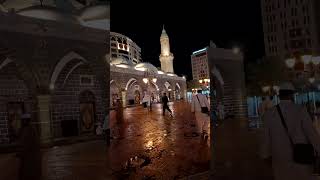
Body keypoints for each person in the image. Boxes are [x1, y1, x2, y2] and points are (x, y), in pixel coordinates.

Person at [261, 82, 320, 180]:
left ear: (279, 96)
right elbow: (311, 133)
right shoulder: (300, 110)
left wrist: (265, 155)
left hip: (279, 159)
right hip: (301, 157)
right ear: (292, 94)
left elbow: (265, 138)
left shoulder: (269, 114)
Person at [18, 114, 41, 180]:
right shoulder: (29, 128)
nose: (21, 122)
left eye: (22, 120)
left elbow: (26, 143)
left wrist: (21, 152)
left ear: (25, 121)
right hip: (31, 154)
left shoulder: (28, 129)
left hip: (30, 154)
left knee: (29, 171)